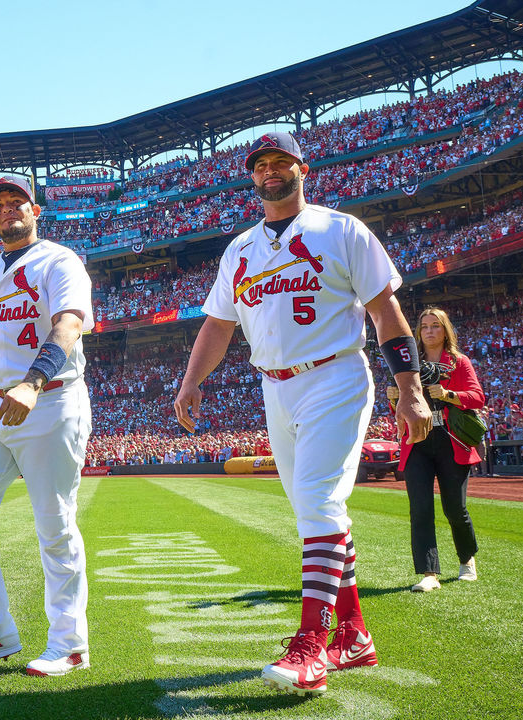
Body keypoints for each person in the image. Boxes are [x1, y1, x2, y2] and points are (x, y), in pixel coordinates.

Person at [173, 132, 432, 697]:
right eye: (261, 164)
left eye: (280, 162)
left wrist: (411, 389)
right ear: (253, 176)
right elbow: (218, 324)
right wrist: (192, 381)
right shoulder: (239, 249)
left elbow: (385, 311)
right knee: (315, 510)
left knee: (318, 501)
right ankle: (355, 635)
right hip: (276, 387)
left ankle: (311, 643)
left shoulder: (341, 229)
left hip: (335, 373)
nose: (270, 171)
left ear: (302, 168)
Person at [0, 176, 95, 677]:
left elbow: (68, 323)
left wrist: (32, 381)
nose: (8, 211)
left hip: (49, 398)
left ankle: (69, 643)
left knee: (54, 523)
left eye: (16, 203)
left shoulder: (59, 260)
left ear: (35, 210)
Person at [393, 308, 484, 592]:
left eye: (435, 326)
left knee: (455, 508)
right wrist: (395, 397)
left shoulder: (459, 361)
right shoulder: (409, 366)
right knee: (420, 509)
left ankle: (467, 560)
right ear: (418, 333)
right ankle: (429, 573)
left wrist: (449, 395)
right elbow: (403, 406)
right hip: (417, 440)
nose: (429, 331)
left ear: (445, 330)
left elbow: (477, 397)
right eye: (424, 327)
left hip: (450, 440)